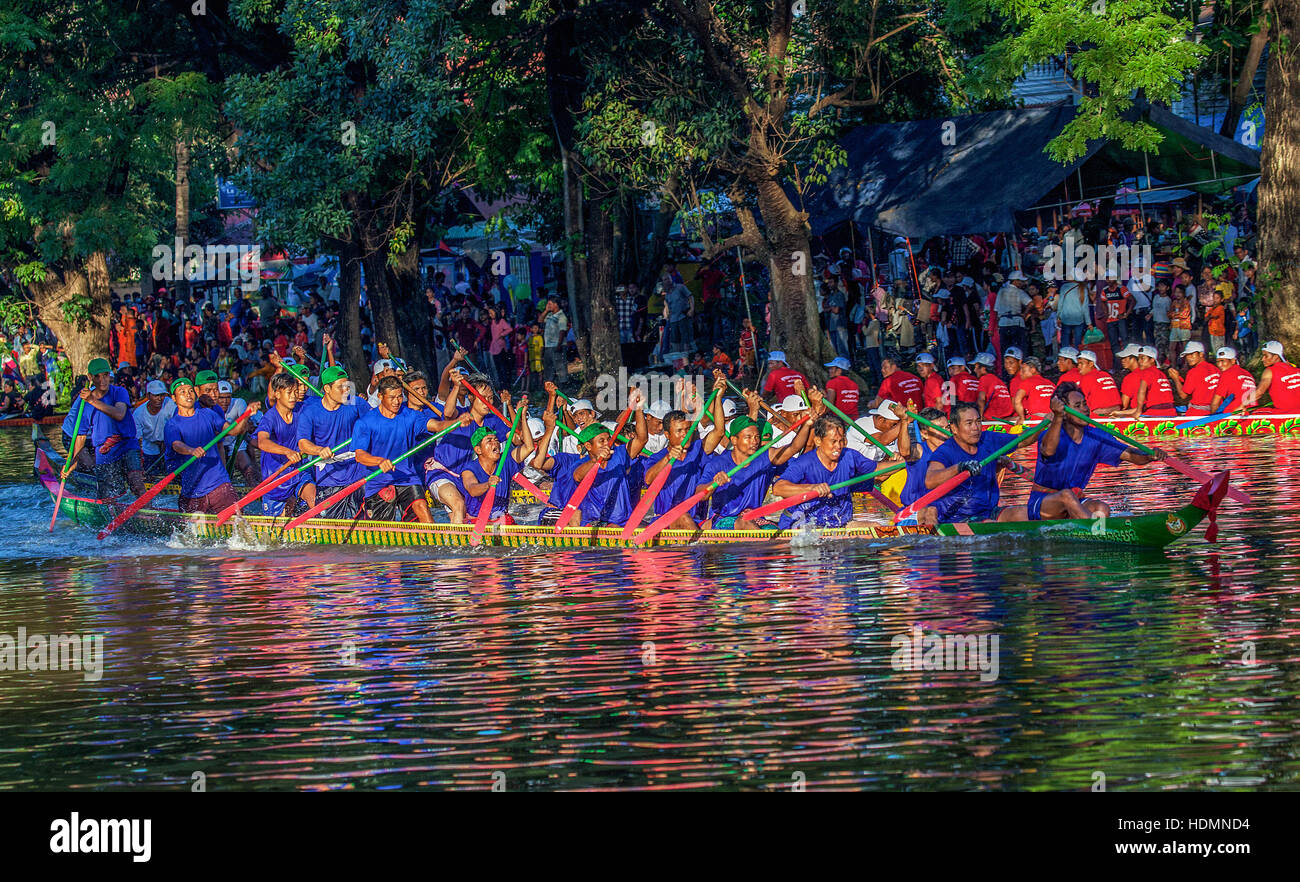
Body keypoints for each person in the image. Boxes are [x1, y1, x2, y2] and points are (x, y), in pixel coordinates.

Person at [1014, 383, 1165, 521]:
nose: (1085, 409)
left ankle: (1094, 532)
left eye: (1085, 404)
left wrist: (1150, 455)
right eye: (1078, 405)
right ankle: (1100, 534)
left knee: (1101, 508)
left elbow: (1131, 455)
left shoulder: (1097, 437)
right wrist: (1058, 417)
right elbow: (1048, 450)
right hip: (1043, 503)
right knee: (1067, 496)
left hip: (1074, 502)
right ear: (1064, 412)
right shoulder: (1051, 433)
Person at [531, 391, 648, 526]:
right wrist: (595, 460)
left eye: (608, 440)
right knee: (575, 515)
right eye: (602, 441)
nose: (607, 444)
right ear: (587, 446)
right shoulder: (578, 464)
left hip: (621, 521)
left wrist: (638, 407)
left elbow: (642, 439)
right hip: (590, 520)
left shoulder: (619, 454)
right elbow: (577, 476)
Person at [698, 408, 813, 530]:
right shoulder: (717, 463)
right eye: (748, 437)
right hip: (723, 520)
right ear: (734, 440)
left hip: (755, 518)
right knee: (745, 523)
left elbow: (794, 447)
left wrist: (807, 424)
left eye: (757, 437)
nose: (754, 441)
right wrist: (713, 483)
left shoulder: (765, 457)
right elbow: (699, 495)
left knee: (776, 533)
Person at [636, 379, 729, 529]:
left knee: (726, 521)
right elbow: (648, 479)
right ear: (667, 435)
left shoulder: (698, 449)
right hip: (665, 521)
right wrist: (668, 458)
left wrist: (718, 397)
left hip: (698, 520)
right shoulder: (657, 457)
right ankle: (701, 551)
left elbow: (719, 431)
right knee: (683, 516)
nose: (685, 434)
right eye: (679, 431)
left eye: (687, 429)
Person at [162, 377, 259, 513]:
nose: (188, 394)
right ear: (174, 398)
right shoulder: (172, 424)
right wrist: (191, 450)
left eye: (190, 391)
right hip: (192, 488)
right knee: (188, 529)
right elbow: (176, 445)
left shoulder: (208, 414)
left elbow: (233, 430)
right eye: (182, 392)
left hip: (218, 481)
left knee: (239, 519)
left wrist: (246, 415)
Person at [768, 415, 883, 528]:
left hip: (840, 525)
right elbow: (778, 488)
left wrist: (900, 462)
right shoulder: (805, 462)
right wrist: (812, 488)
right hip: (800, 525)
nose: (838, 446)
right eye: (833, 441)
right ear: (818, 441)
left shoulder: (850, 456)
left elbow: (878, 469)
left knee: (876, 526)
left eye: (841, 440)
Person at [922, 402, 1020, 522]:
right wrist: (960, 467)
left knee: (1024, 514)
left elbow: (1023, 439)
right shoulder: (943, 451)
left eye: (978, 422)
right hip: (957, 516)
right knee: (990, 525)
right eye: (969, 423)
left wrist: (1046, 430)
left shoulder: (987, 439)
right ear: (954, 428)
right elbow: (930, 481)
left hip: (989, 511)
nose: (975, 427)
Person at [296, 365, 371, 518]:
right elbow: (303, 444)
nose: (346, 390)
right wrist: (318, 450)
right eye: (340, 387)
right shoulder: (310, 411)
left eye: (347, 386)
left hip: (358, 473)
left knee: (368, 519)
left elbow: (376, 423)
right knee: (332, 528)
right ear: (327, 389)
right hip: (329, 478)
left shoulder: (355, 403)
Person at [68, 357, 146, 499]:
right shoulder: (83, 404)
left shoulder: (119, 392)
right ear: (90, 378)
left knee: (136, 482)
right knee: (108, 495)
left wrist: (92, 400)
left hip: (126, 444)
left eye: (105, 375)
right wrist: (73, 461)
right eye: (97, 377)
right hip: (105, 451)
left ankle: (150, 515)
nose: (103, 380)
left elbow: (119, 414)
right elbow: (80, 436)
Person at [460, 422, 537, 526]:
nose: (495, 443)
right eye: (489, 441)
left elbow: (529, 447)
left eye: (496, 440)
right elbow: (472, 489)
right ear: (478, 450)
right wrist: (488, 484)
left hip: (501, 518)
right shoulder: (469, 469)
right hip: (477, 519)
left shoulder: (506, 460)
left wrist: (523, 416)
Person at [254, 372, 308, 516]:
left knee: (314, 498)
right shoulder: (269, 418)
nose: (293, 396)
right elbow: (262, 442)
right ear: (277, 394)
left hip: (299, 472)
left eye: (295, 392)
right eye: (289, 392)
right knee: (274, 536)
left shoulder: (301, 409)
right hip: (276, 480)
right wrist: (287, 452)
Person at [896, 407, 952, 527]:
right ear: (924, 434)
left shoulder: (954, 451)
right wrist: (904, 421)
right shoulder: (919, 450)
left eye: (947, 428)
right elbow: (905, 451)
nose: (946, 434)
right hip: (912, 512)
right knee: (931, 511)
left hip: (943, 510)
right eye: (939, 429)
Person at [132, 379, 177, 474]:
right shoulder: (138, 414)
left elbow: (178, 423)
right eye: (156, 395)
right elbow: (137, 440)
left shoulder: (169, 404)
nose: (160, 398)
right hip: (149, 446)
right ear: (148, 396)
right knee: (151, 472)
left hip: (168, 444)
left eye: (162, 395)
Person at [1166, 341, 1220, 416]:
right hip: (1216, 410)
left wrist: (1176, 379)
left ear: (1201, 354)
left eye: (1192, 354)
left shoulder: (1194, 372)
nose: (1189, 358)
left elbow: (1183, 395)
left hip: (1198, 412)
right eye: (1187, 355)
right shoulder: (1215, 369)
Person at [1208, 346, 1257, 415]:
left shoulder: (1227, 374)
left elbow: (1215, 403)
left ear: (1233, 361)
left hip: (1235, 414)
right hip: (1252, 413)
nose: (1219, 365)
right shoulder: (1248, 374)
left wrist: (1212, 421)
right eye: (1217, 361)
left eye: (1223, 361)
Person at [993, 270, 1032, 356]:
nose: (1022, 283)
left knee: (1005, 350)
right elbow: (1030, 303)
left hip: (1003, 324)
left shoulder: (1001, 291)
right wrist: (1024, 314)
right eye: (1021, 281)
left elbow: (996, 309)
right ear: (1015, 281)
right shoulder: (1019, 292)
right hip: (1017, 323)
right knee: (1019, 350)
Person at [1012, 356, 1056, 423]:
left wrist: (1021, 418)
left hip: (1037, 420)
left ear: (1033, 370)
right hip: (1053, 418)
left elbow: (1017, 400)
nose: (1020, 373)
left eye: (1023, 370)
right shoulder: (1050, 383)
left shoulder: (1027, 382)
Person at [972, 353, 1014, 421]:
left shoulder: (984, 379)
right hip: (1005, 416)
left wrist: (979, 418)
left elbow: (981, 399)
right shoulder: (999, 380)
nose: (974, 370)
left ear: (983, 368)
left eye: (976, 367)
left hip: (993, 417)